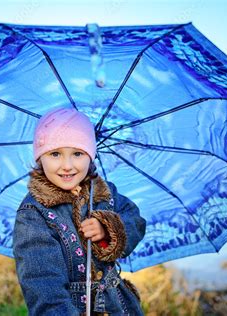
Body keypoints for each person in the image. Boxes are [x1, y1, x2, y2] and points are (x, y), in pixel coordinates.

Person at [13, 107, 146, 315]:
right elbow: (43, 286)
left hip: (119, 306)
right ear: (40, 158)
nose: (67, 165)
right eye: (55, 154)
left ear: (90, 156)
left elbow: (136, 221)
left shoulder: (103, 193)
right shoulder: (34, 213)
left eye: (77, 153)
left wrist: (108, 229)